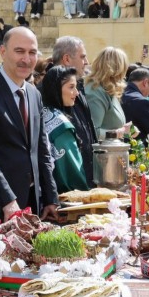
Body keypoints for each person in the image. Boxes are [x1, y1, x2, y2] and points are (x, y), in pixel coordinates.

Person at [0, 27, 59, 222]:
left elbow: (42, 148)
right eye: (19, 51)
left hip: (34, 202)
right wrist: (7, 199)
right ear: (2, 52)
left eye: (32, 52)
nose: (26, 59)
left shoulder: (34, 94)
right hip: (1, 205)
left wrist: (50, 197)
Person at [50, 36, 96, 185]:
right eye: (82, 57)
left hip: (86, 177)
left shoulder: (79, 88)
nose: (87, 62)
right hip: (65, 183)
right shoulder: (47, 94)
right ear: (67, 59)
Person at [41, 66, 91, 193]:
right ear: (56, 89)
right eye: (71, 87)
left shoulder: (41, 112)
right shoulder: (61, 125)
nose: (76, 92)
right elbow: (72, 173)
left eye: (76, 87)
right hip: (65, 198)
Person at [85, 47, 128, 138]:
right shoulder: (95, 91)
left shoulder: (108, 89)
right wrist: (119, 133)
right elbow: (93, 132)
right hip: (100, 151)